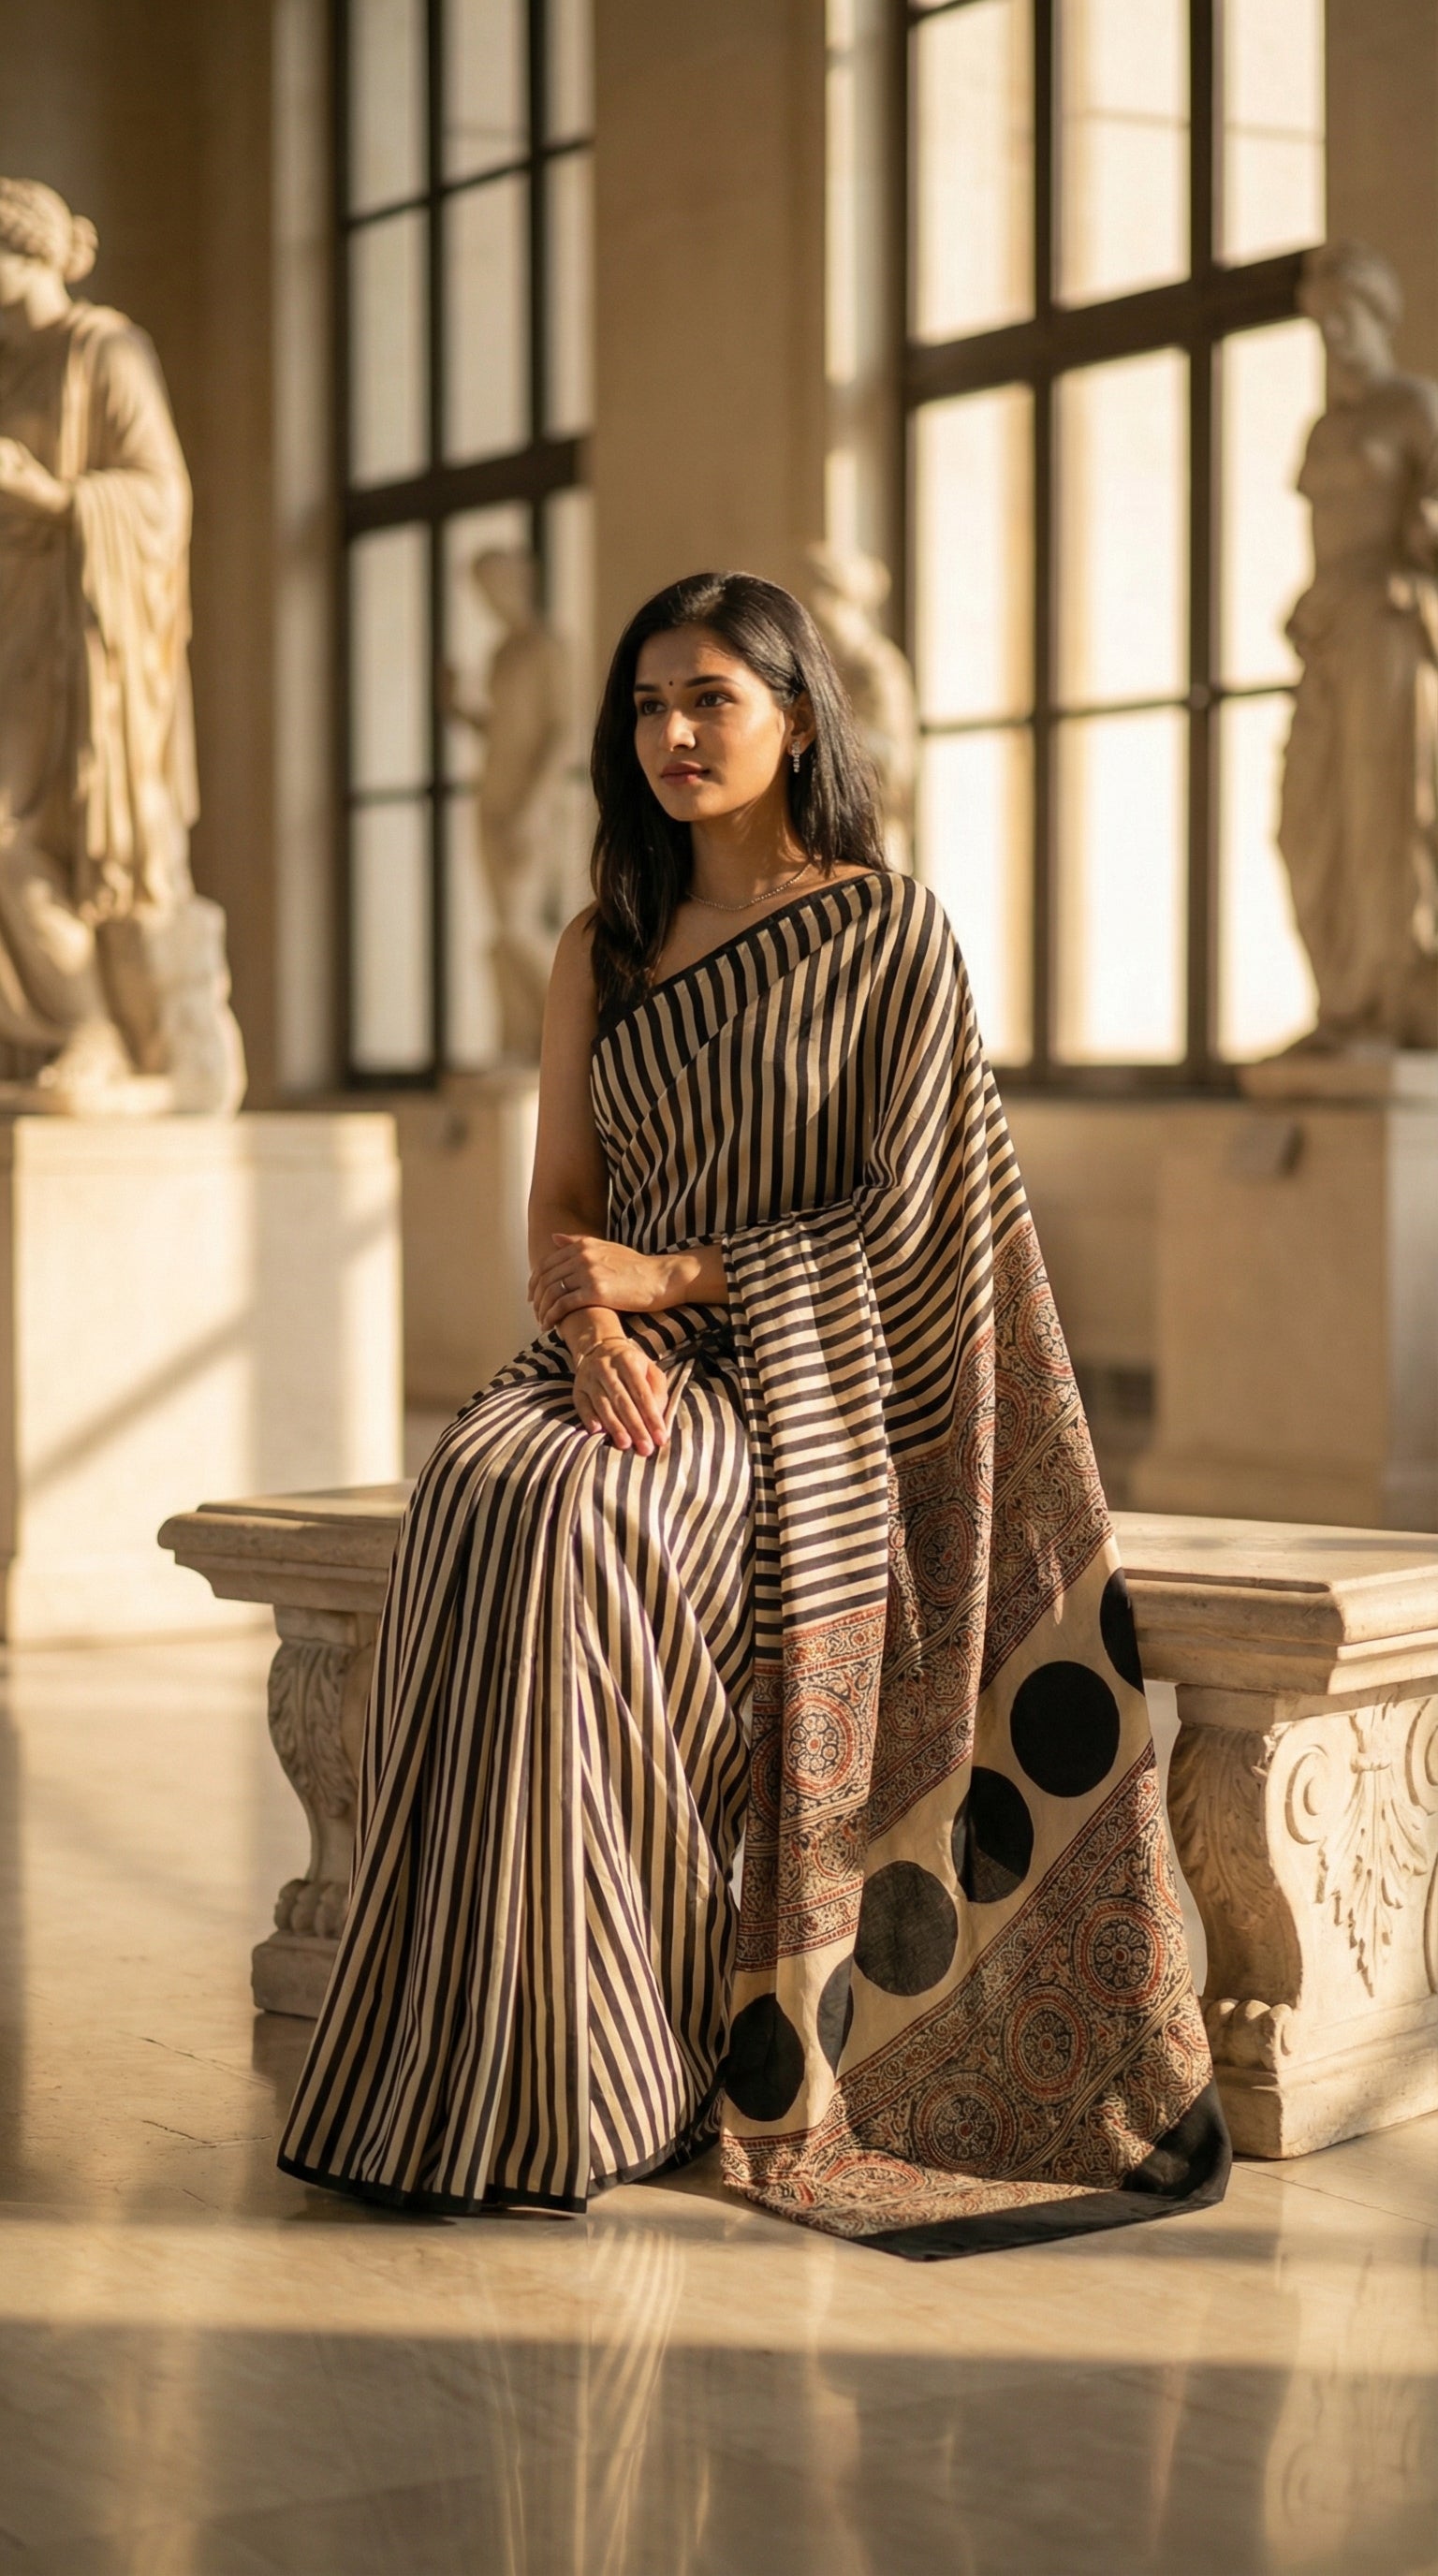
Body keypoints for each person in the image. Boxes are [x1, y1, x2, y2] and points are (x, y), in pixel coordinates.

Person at [280, 572, 1227, 2257]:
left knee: (583, 1516)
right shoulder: (602, 947)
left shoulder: (887, 932)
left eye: (709, 697)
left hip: (806, 1384)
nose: (673, 733)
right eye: (648, 705)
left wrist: (666, 1278)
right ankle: (480, 2068)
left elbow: (913, 1221)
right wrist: (591, 1324)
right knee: (482, 1484)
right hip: (612, 1355)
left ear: (797, 718)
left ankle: (623, 2062)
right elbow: (560, 1207)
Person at [0, 174, 244, 1111]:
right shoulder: (8, 367)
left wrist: (52, 498)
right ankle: (76, 1026)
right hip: (16, 623)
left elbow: (160, 494)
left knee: (34, 834)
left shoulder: (102, 348)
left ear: (24, 251)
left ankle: (97, 1027)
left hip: (85, 637)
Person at [1279, 240, 1438, 1050]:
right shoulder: (1323, 430)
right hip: (1331, 631)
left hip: (1388, 624)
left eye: (1347, 316)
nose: (1334, 333)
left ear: (1380, 316)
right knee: (1306, 822)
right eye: (1322, 320)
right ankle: (1341, 999)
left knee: (1383, 814)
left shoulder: (1415, 408)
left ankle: (1390, 1003)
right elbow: (1324, 539)